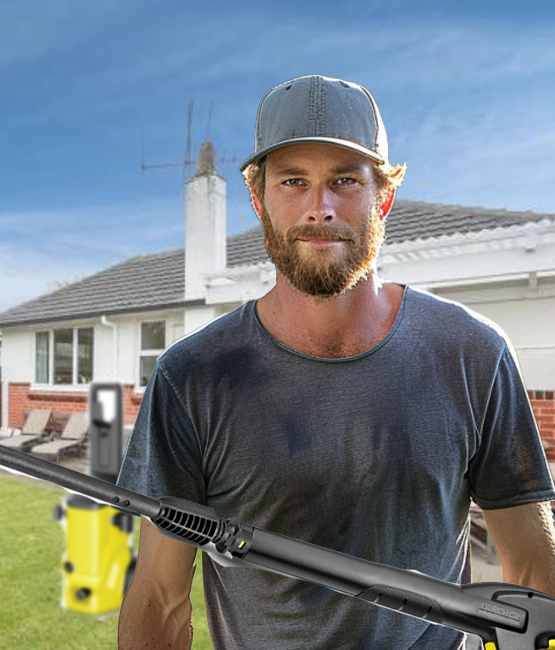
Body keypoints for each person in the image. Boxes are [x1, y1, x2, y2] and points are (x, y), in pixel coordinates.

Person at [114, 74, 555, 649]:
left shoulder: (472, 354)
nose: (319, 208)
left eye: (344, 180)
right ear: (259, 200)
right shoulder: (192, 377)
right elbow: (159, 596)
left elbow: (531, 572)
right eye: (293, 181)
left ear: (384, 197)